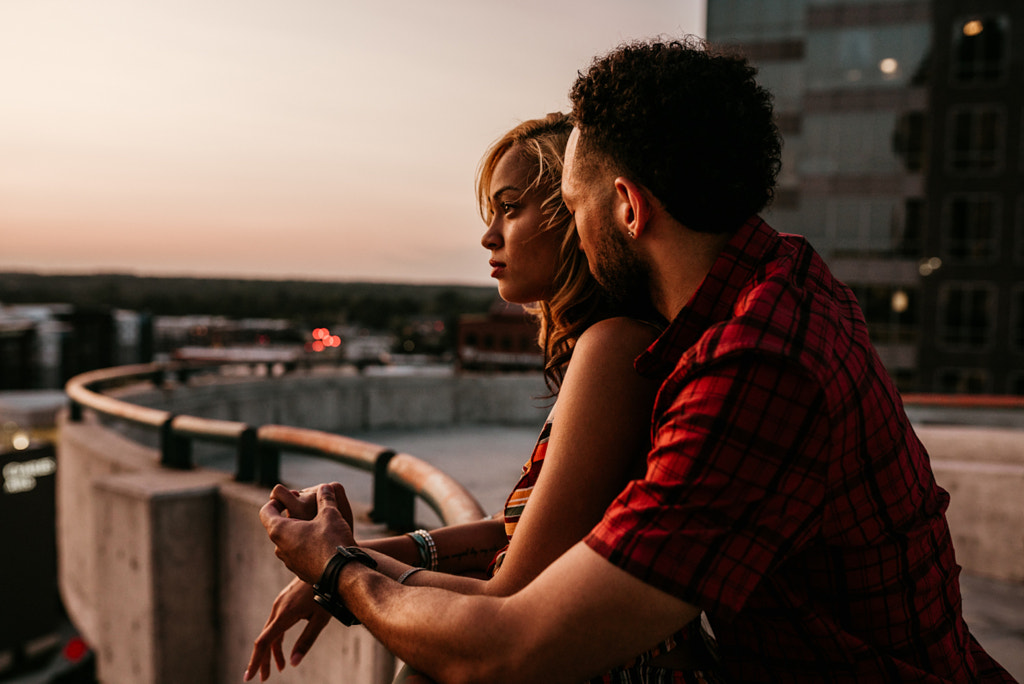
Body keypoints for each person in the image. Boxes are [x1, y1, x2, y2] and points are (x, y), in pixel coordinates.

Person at [256, 37, 1016, 683]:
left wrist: (337, 570)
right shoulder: (782, 283)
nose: (575, 234)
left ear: (627, 207)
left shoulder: (758, 367)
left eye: (573, 207)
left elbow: (515, 647)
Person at [245, 113, 720, 683]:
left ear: (573, 212)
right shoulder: (615, 344)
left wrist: (339, 568)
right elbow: (513, 532)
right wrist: (344, 552)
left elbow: (508, 595)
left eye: (511, 207)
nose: (489, 235)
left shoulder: (617, 346)